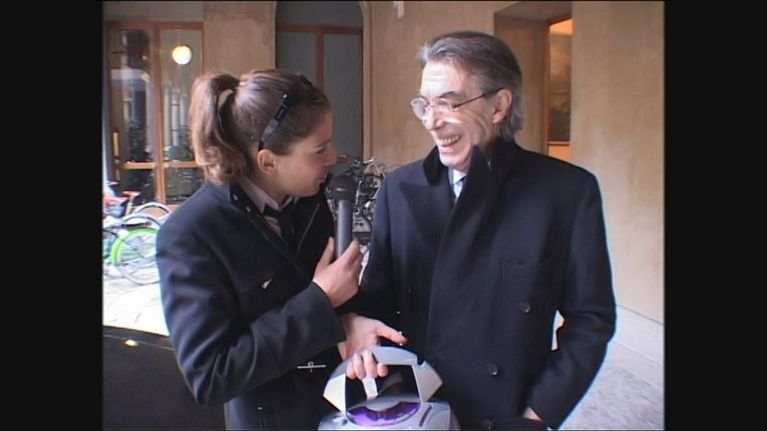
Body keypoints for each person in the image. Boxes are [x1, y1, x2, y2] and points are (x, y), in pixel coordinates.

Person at [349, 31, 616, 430]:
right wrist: (359, 332)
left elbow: (591, 319)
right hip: (419, 411)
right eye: (425, 104)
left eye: (449, 103)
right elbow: (379, 306)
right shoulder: (399, 190)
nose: (431, 121)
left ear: (499, 106)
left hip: (506, 415)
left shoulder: (566, 193)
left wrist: (536, 415)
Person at [156, 69, 405, 430]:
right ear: (268, 161)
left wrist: (351, 321)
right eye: (319, 150)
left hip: (342, 412)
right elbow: (210, 376)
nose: (333, 156)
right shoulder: (191, 234)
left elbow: (335, 301)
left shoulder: (309, 199)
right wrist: (320, 301)